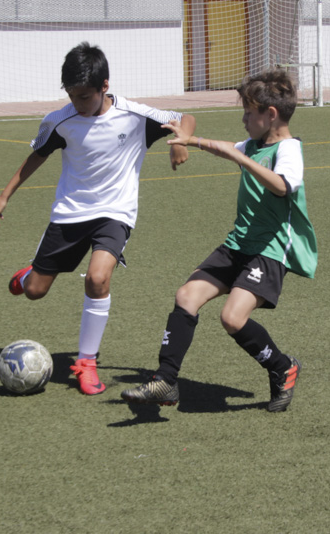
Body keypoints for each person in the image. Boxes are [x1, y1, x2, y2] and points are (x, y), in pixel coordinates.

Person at [0, 41, 192, 395]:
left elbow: (182, 119)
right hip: (70, 213)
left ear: (104, 87)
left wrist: (179, 141)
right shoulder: (60, 120)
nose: (77, 103)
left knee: (97, 278)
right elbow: (38, 156)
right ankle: (28, 276)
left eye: (84, 96)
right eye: (71, 95)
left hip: (115, 213)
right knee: (35, 292)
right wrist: (4, 196)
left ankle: (86, 361)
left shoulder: (134, 115)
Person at [121, 69, 317, 413]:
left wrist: (242, 158)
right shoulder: (255, 145)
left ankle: (283, 367)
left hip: (270, 251)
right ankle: (166, 380)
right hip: (237, 244)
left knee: (233, 318)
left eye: (248, 112)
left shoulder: (288, 149)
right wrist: (191, 140)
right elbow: (226, 148)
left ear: (270, 115)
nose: (243, 119)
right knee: (186, 295)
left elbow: (283, 186)